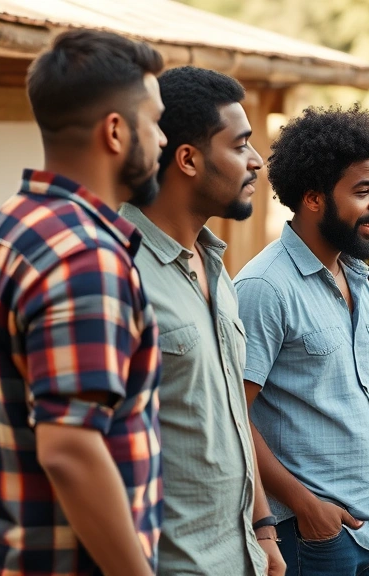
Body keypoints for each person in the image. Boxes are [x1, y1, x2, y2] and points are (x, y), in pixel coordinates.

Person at [0, 30, 166, 575]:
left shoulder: (5, 228)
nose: (159, 139)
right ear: (115, 130)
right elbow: (70, 450)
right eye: (153, 121)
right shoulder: (84, 256)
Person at [117, 66, 285, 576]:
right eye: (240, 146)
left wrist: (263, 531)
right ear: (188, 158)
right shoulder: (118, 269)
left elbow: (233, 411)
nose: (257, 162)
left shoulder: (215, 265)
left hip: (242, 558)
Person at [234, 104, 369, 576]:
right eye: (363, 191)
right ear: (313, 199)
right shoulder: (264, 288)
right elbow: (232, 414)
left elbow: (364, 389)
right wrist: (306, 507)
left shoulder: (357, 275)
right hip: (313, 536)